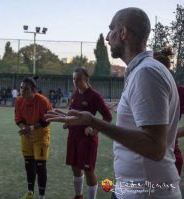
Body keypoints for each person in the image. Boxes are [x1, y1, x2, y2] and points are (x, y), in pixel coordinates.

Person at [45, 7, 181, 199]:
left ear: (123, 32)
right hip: (134, 187)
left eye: (111, 29)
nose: (107, 37)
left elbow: (155, 147)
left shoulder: (146, 73)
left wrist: (93, 122)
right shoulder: (143, 71)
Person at [66, 67, 112, 199]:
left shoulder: (94, 96)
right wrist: (67, 122)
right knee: (75, 167)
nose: (75, 81)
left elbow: (107, 117)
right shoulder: (75, 94)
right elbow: (71, 113)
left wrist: (94, 130)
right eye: (74, 79)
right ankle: (78, 196)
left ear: (86, 79)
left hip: (87, 140)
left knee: (88, 170)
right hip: (73, 137)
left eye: (78, 79)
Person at [15, 76, 52, 199]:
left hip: (41, 135)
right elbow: (18, 119)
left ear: (33, 90)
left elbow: (46, 121)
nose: (22, 91)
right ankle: (30, 192)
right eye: (21, 88)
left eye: (26, 88)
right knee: (28, 164)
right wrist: (23, 128)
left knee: (41, 165)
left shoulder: (42, 101)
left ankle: (41, 196)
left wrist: (28, 128)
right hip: (26, 135)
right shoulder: (19, 101)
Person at [154, 47, 184, 175]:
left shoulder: (180, 92)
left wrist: (172, 134)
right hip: (145, 157)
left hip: (170, 156)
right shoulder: (144, 90)